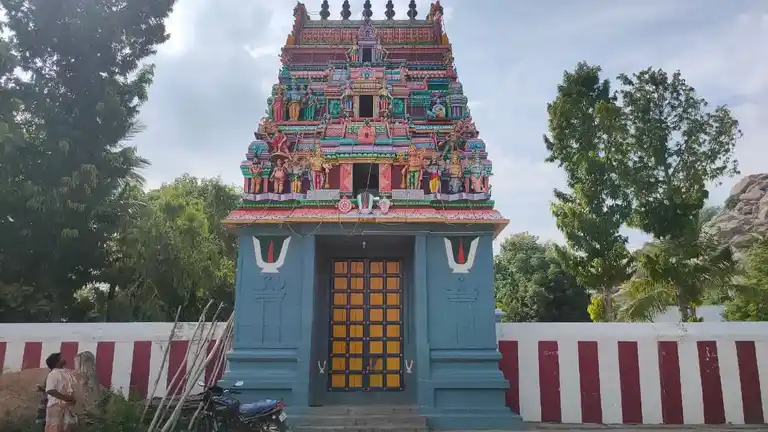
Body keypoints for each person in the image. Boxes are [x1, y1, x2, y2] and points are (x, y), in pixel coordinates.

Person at [44, 353, 78, 432]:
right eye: (60, 358)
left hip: (68, 407)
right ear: (57, 362)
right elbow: (50, 390)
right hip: (56, 407)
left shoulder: (67, 373)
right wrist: (67, 398)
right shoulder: (53, 374)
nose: (63, 358)